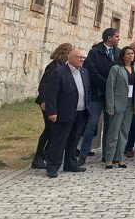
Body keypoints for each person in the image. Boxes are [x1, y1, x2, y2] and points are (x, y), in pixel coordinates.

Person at [43, 49, 91, 178]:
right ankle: (53, 166)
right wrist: (52, 112)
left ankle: (70, 163)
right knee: (59, 141)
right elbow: (51, 94)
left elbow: (87, 90)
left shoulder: (84, 72)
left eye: (83, 58)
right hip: (64, 112)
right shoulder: (59, 72)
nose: (82, 60)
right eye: (79, 57)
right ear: (71, 58)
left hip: (81, 112)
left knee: (74, 140)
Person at [78, 28, 120, 166]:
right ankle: (83, 154)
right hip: (98, 94)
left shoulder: (118, 52)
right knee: (92, 124)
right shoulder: (95, 52)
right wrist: (107, 85)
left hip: (111, 96)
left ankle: (107, 155)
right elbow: (92, 72)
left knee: (109, 125)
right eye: (116, 36)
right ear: (109, 38)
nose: (118, 39)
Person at [31, 43, 73, 169]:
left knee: (53, 131)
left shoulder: (62, 66)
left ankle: (46, 155)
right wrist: (44, 101)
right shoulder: (53, 67)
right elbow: (44, 85)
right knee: (49, 130)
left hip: (56, 103)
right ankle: (39, 157)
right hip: (48, 103)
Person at [104, 46, 135, 169]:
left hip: (130, 104)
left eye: (132, 54)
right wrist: (110, 106)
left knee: (124, 132)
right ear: (123, 56)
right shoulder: (116, 69)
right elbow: (109, 88)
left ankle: (120, 157)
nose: (131, 55)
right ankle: (109, 158)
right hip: (117, 103)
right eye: (128, 54)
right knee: (113, 132)